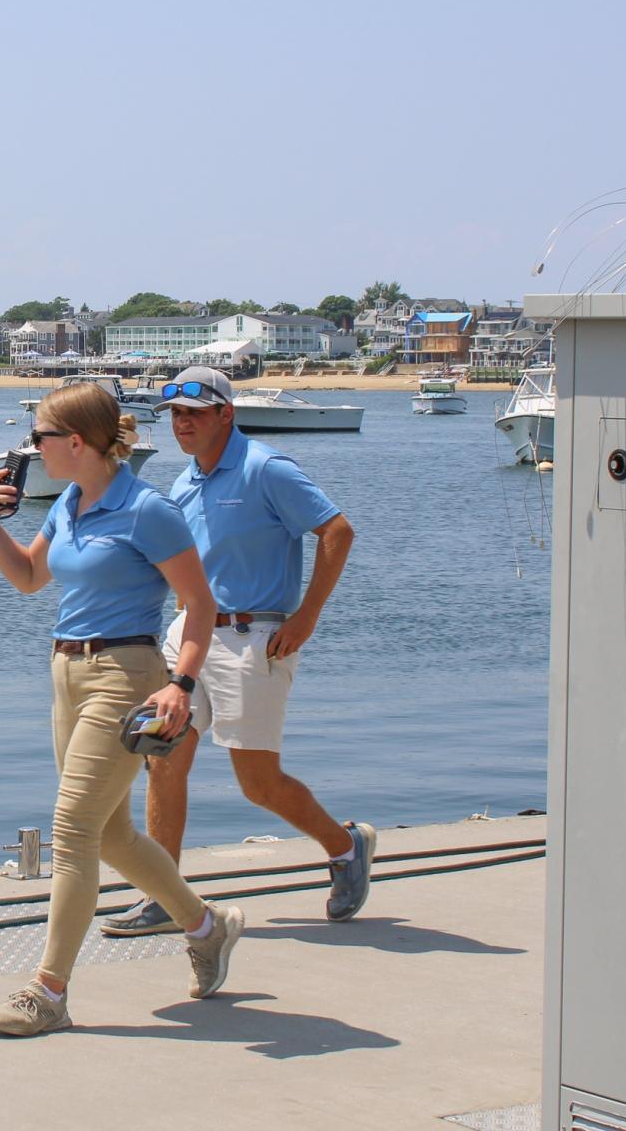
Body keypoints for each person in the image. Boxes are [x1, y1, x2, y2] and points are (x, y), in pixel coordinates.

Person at [0, 380, 245, 1036]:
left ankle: (48, 991)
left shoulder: (146, 510)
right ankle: (208, 927)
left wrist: (179, 686)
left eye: (37, 437)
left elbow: (200, 605)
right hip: (66, 670)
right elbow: (31, 579)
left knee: (72, 832)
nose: (29, 448)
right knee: (111, 834)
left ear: (74, 443)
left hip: (127, 674)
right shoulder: (69, 499)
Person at [102, 365, 374, 938]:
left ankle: (345, 846)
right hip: (189, 636)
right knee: (162, 758)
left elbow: (337, 531)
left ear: (226, 413)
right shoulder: (185, 483)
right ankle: (163, 894)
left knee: (257, 783)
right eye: (175, 414)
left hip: (256, 637)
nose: (182, 424)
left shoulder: (265, 468)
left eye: (194, 414)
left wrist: (306, 616)